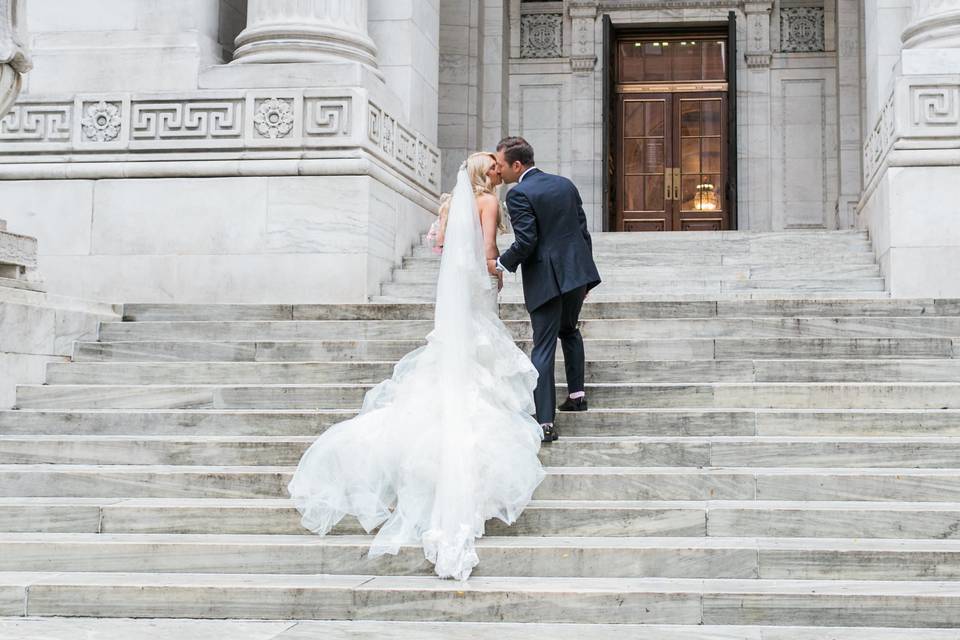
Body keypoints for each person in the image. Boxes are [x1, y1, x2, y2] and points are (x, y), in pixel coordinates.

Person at [287, 153, 545, 582]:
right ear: (487, 175)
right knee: (479, 351)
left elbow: (441, 244)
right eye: (495, 168)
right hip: (476, 286)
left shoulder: (449, 205)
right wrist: (493, 272)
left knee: (456, 352)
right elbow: (485, 246)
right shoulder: (488, 204)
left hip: (453, 291)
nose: (500, 171)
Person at [491, 136, 602, 443]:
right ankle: (577, 396)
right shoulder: (565, 184)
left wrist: (500, 264)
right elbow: (582, 231)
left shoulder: (519, 194)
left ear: (517, 164)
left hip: (547, 280)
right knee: (569, 331)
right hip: (576, 275)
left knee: (543, 345)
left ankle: (545, 422)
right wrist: (586, 277)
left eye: (501, 165)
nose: (499, 172)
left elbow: (526, 242)